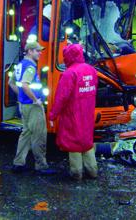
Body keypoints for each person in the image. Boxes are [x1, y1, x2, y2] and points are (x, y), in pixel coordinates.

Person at [49, 44, 98, 180]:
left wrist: (53, 115)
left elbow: (61, 97)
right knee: (87, 141)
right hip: (87, 113)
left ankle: (76, 174)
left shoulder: (69, 73)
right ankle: (92, 171)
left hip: (73, 114)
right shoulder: (91, 70)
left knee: (74, 143)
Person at [9, 41, 55, 175]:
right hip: (33, 106)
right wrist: (36, 100)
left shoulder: (19, 65)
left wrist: (21, 97)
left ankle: (18, 163)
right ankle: (41, 165)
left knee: (26, 133)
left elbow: (11, 83)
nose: (40, 53)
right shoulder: (30, 67)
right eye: (37, 51)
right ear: (30, 51)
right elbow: (24, 84)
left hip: (23, 105)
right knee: (39, 135)